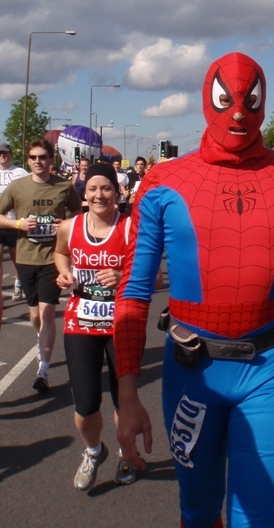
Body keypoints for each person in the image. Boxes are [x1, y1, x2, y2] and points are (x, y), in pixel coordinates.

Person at [114, 53, 274, 528]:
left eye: (250, 101)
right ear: (206, 101)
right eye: (226, 100)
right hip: (193, 369)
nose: (238, 113)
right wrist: (127, 394)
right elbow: (133, 292)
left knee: (257, 516)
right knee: (197, 510)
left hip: (270, 368)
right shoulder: (162, 181)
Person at [54, 162, 137, 490]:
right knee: (86, 405)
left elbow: (155, 278)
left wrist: (122, 277)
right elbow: (60, 254)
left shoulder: (131, 228)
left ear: (117, 193)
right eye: (93, 189)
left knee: (122, 401)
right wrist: (63, 272)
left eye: (106, 188)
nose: (99, 194)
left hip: (121, 324)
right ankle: (93, 451)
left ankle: (126, 454)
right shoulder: (70, 227)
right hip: (80, 323)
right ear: (83, 193)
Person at [0, 139, 82, 391]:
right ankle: (40, 340)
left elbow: (79, 214)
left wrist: (65, 225)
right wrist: (18, 225)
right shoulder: (17, 187)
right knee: (35, 314)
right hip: (25, 259)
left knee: (47, 314)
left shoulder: (63, 186)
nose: (39, 161)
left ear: (51, 160)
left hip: (53, 259)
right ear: (28, 160)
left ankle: (42, 371)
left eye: (43, 157)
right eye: (34, 157)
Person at [0, 142, 29, 302]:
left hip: (15, 222)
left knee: (16, 257)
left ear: (11, 154)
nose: (2, 155)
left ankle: (19, 283)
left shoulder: (20, 172)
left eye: (5, 153)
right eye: (0, 153)